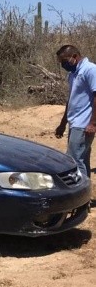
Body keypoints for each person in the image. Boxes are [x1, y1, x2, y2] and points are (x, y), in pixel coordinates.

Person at [54, 45, 96, 192]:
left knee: (73, 161)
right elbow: (71, 100)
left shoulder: (90, 70)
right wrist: (63, 123)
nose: (63, 65)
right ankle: (86, 196)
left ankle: (80, 196)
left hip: (84, 123)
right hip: (75, 122)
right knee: (82, 160)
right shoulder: (73, 74)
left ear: (75, 56)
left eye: (64, 61)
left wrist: (93, 123)